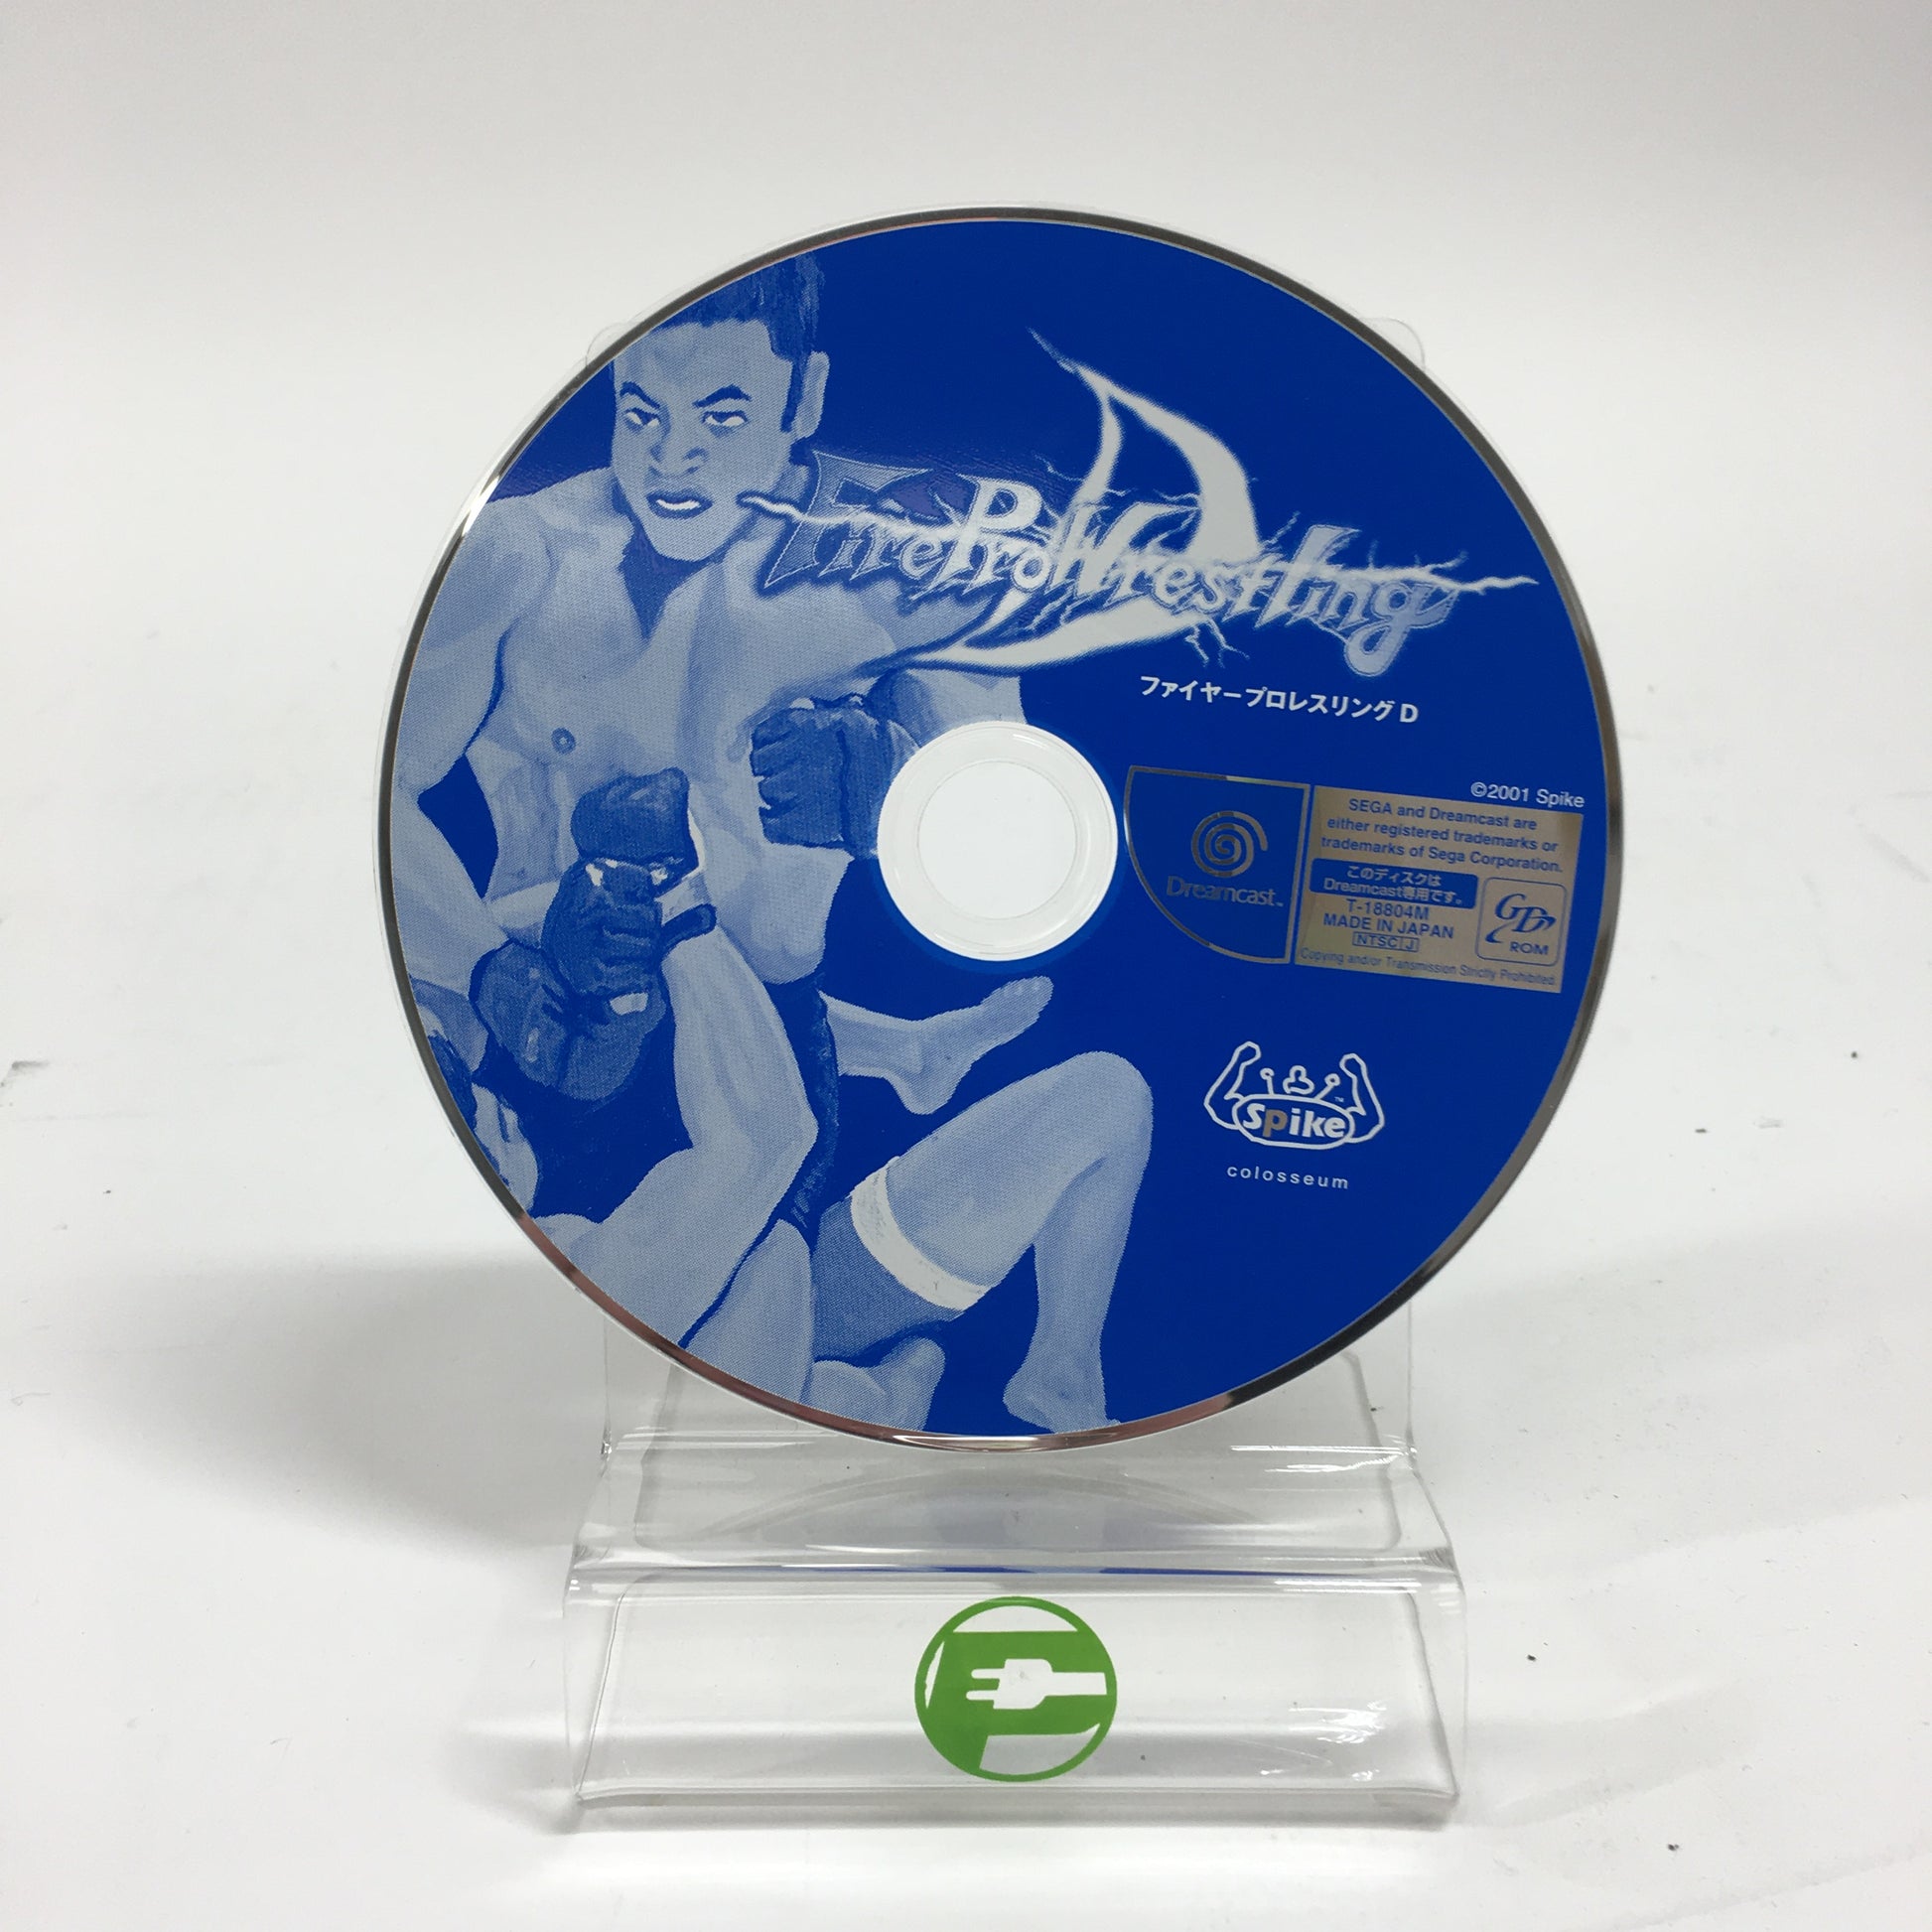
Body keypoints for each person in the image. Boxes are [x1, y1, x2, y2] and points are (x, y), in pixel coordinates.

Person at [391, 256, 1150, 1431]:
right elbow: (391, 803)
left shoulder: (908, 561)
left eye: (721, 415)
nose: (671, 459)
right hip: (545, 1040)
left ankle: (880, 1359)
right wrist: (490, 972)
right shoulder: (519, 558)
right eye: (641, 413)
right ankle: (879, 1357)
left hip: (756, 1044)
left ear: (805, 400)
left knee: (752, 1365)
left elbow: (997, 799)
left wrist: (889, 787)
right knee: (662, 1385)